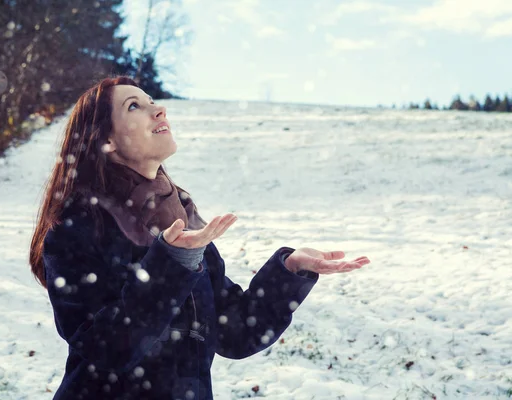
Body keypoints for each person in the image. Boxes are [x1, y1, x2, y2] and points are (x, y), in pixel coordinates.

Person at [29, 76, 370, 400]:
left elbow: (236, 332)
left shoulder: (184, 223)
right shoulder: (78, 226)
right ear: (106, 140)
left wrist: (289, 271)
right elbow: (105, 347)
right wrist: (171, 264)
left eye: (152, 101)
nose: (158, 109)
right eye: (134, 106)